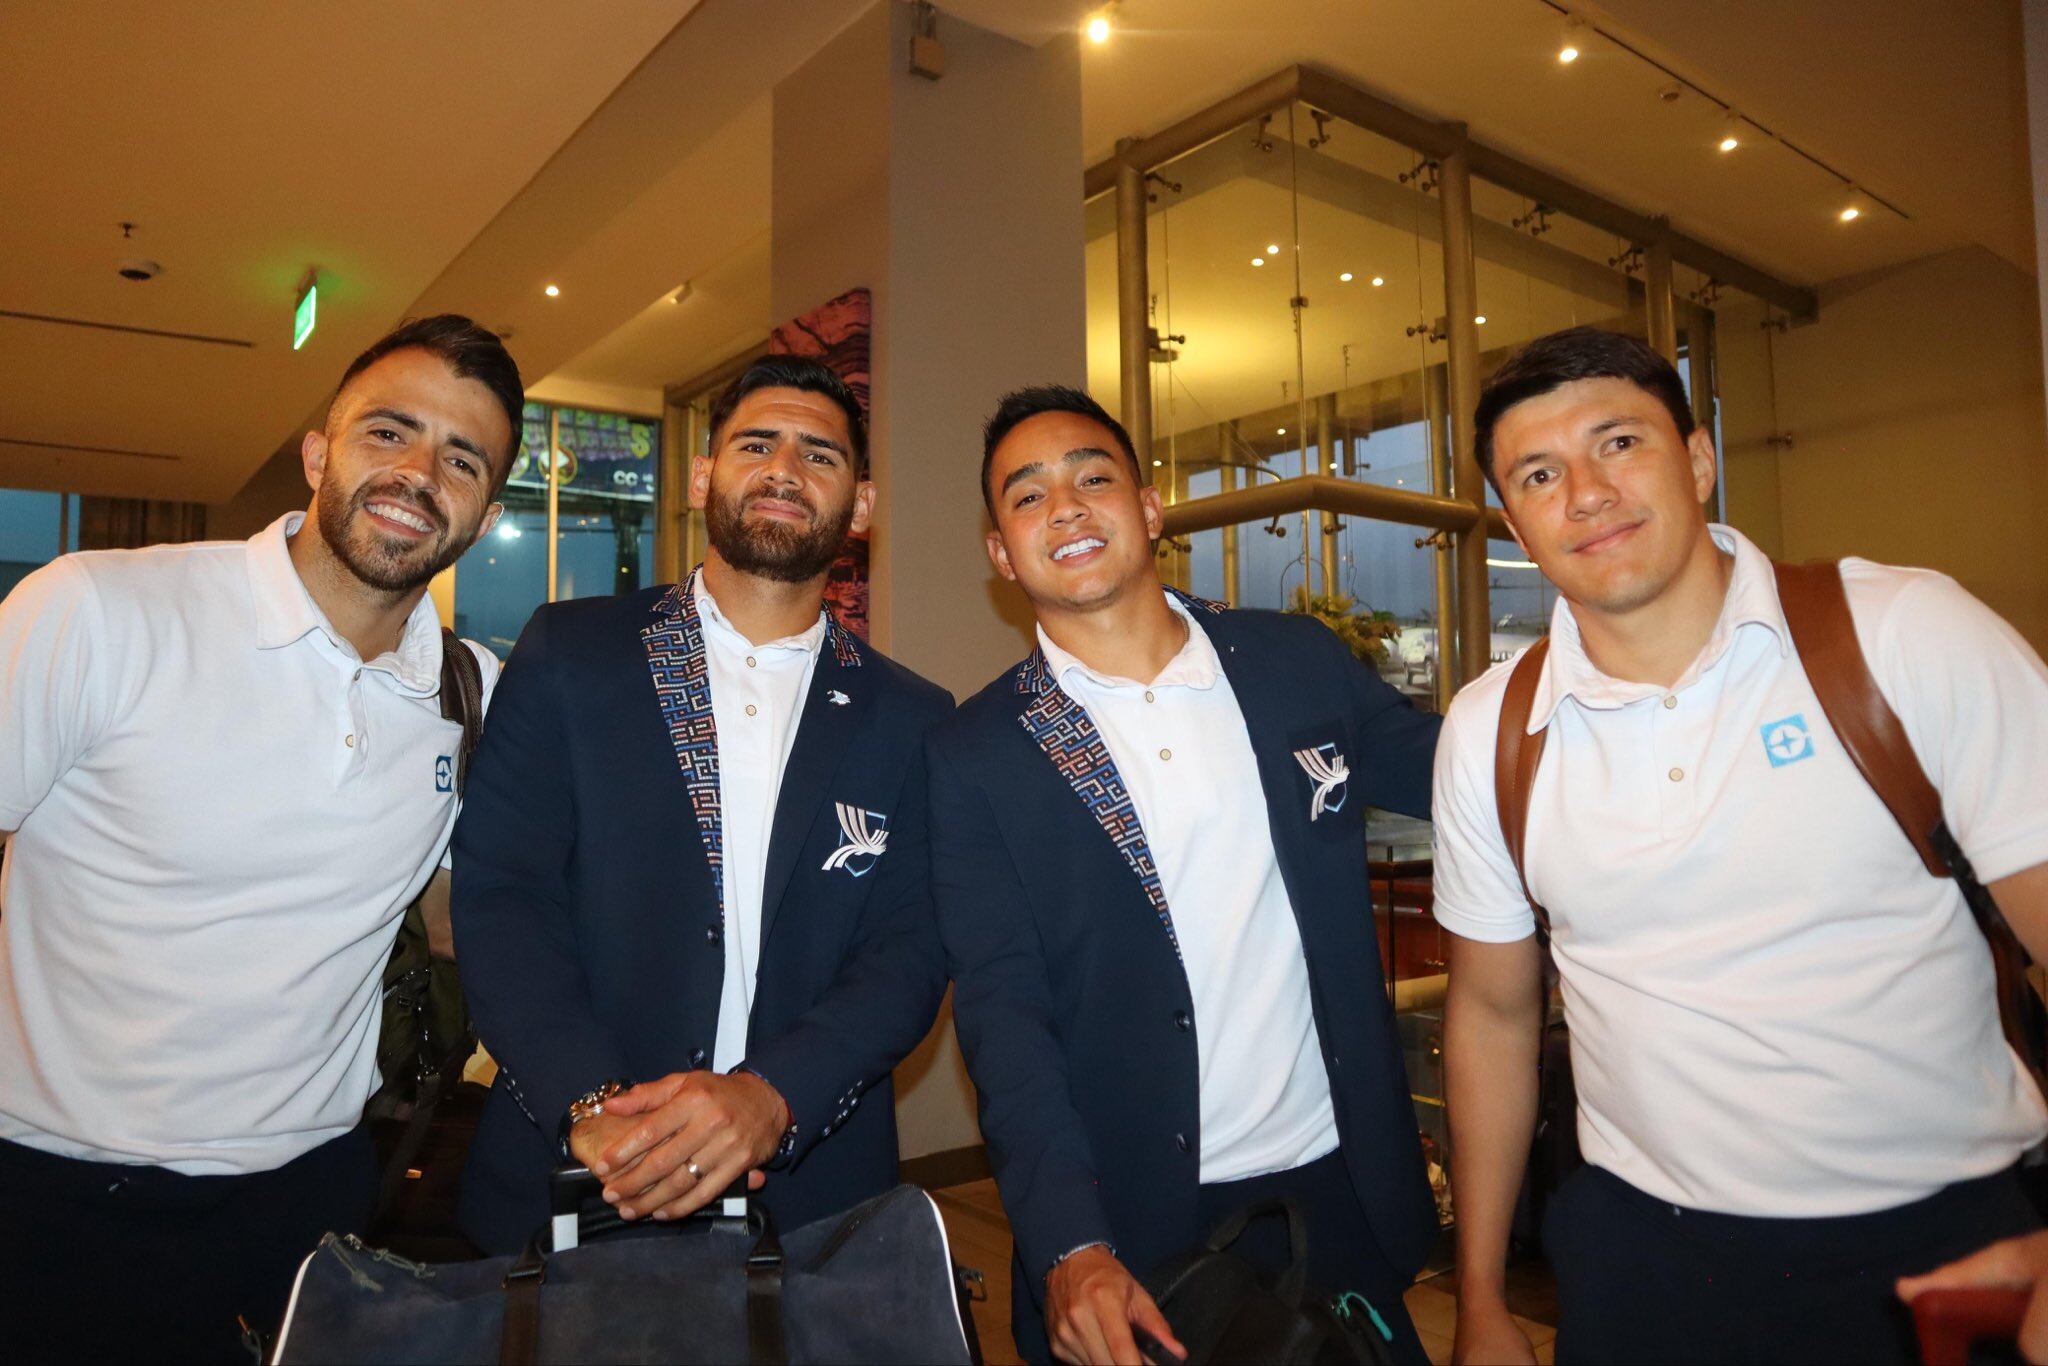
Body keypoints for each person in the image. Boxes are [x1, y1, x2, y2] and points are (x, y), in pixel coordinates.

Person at [1433, 326, 2048, 1365]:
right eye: (1539, 474)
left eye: (1618, 443)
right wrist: (1482, 1296)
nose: (1585, 493)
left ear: (1698, 458)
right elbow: (1492, 1016)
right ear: (1512, 522)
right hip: (1644, 1260)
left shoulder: (1899, 633)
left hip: (1942, 1246)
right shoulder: (1492, 729)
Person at [0, 313, 521, 1362]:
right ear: (319, 453)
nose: (419, 473)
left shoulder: (472, 692)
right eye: (389, 432)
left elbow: (457, 917)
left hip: (312, 1198)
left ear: (487, 511)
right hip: (55, 1190)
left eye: (461, 458)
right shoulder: (100, 611)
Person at [930, 385, 1443, 1365]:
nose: (1065, 507)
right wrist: (1068, 1241)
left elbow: (1457, 769)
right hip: (1135, 1225)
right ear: (1000, 552)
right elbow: (1004, 1013)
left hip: (1336, 1184)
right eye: (1028, 496)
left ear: (1149, 506)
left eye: (1092, 478)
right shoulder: (975, 752)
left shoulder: (1293, 664)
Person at [451, 356, 951, 1252]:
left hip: (808, 1202)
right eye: (756, 445)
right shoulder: (572, 654)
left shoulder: (911, 716)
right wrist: (593, 1106)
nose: (785, 470)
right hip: (579, 1176)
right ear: (700, 476)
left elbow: (909, 950)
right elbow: (503, 898)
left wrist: (774, 1097)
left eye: (820, 455)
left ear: (861, 506)